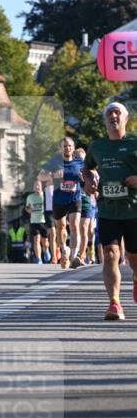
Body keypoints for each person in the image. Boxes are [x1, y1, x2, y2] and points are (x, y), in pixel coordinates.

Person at [82, 102, 137, 321]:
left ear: (126, 119)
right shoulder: (97, 146)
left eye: (117, 113)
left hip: (134, 209)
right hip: (107, 209)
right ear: (105, 120)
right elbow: (87, 168)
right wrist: (88, 182)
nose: (113, 116)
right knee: (110, 254)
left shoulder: (134, 142)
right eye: (109, 113)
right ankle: (114, 303)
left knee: (133, 257)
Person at [38, 137, 84, 269]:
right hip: (59, 199)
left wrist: (84, 177)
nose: (67, 148)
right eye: (65, 146)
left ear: (73, 147)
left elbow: (88, 173)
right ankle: (64, 249)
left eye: (70, 146)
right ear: (60, 148)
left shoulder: (79, 161)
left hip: (75, 197)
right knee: (61, 226)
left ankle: (74, 256)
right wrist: (52, 175)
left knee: (75, 225)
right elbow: (40, 176)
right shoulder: (54, 161)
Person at [25, 179, 48, 264]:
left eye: (38, 185)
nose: (37, 187)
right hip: (34, 221)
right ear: (33, 187)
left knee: (45, 241)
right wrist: (29, 210)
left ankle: (46, 250)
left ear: (41, 187)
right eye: (35, 185)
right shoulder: (30, 197)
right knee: (36, 240)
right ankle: (39, 259)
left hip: (44, 221)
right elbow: (27, 207)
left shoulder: (44, 196)